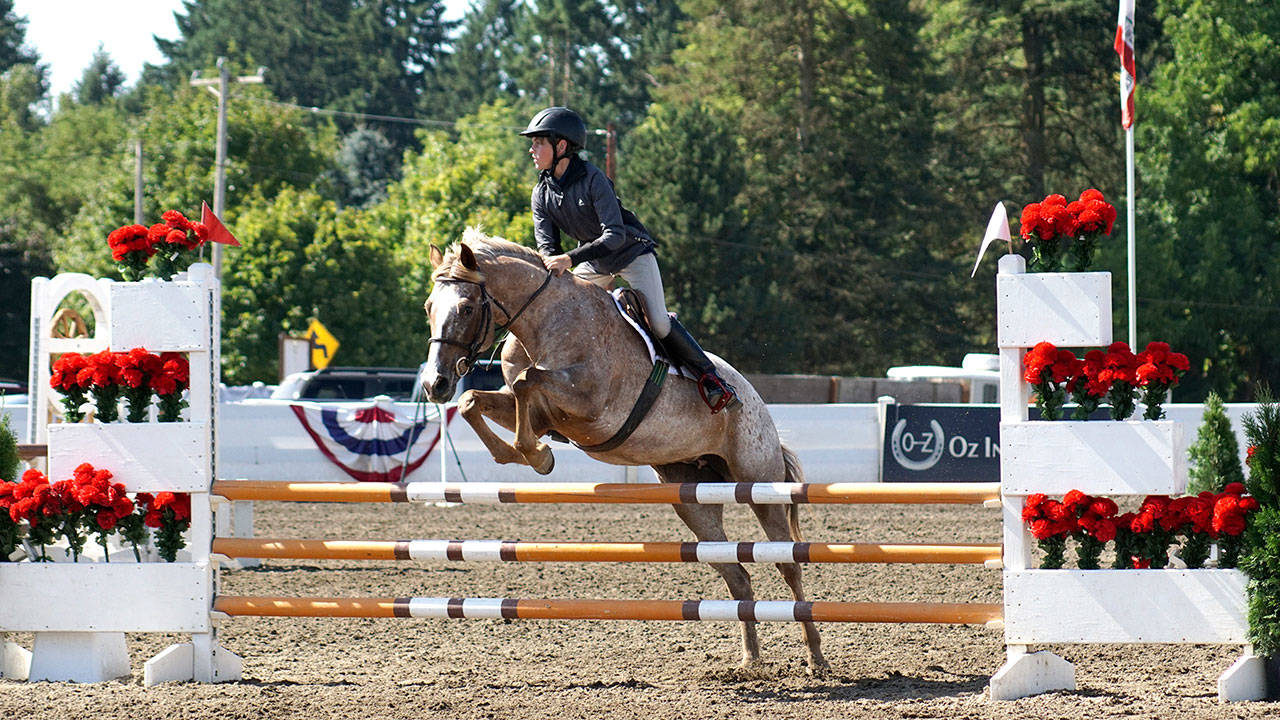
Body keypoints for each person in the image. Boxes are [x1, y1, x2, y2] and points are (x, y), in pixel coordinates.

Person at [520, 106, 740, 414]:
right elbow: (548, 248)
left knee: (660, 325)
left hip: (630, 252)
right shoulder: (541, 193)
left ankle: (713, 381)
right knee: (561, 308)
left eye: (539, 142)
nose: (532, 149)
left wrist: (568, 259)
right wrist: (555, 265)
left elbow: (614, 236)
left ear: (561, 146)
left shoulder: (594, 179)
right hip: (595, 262)